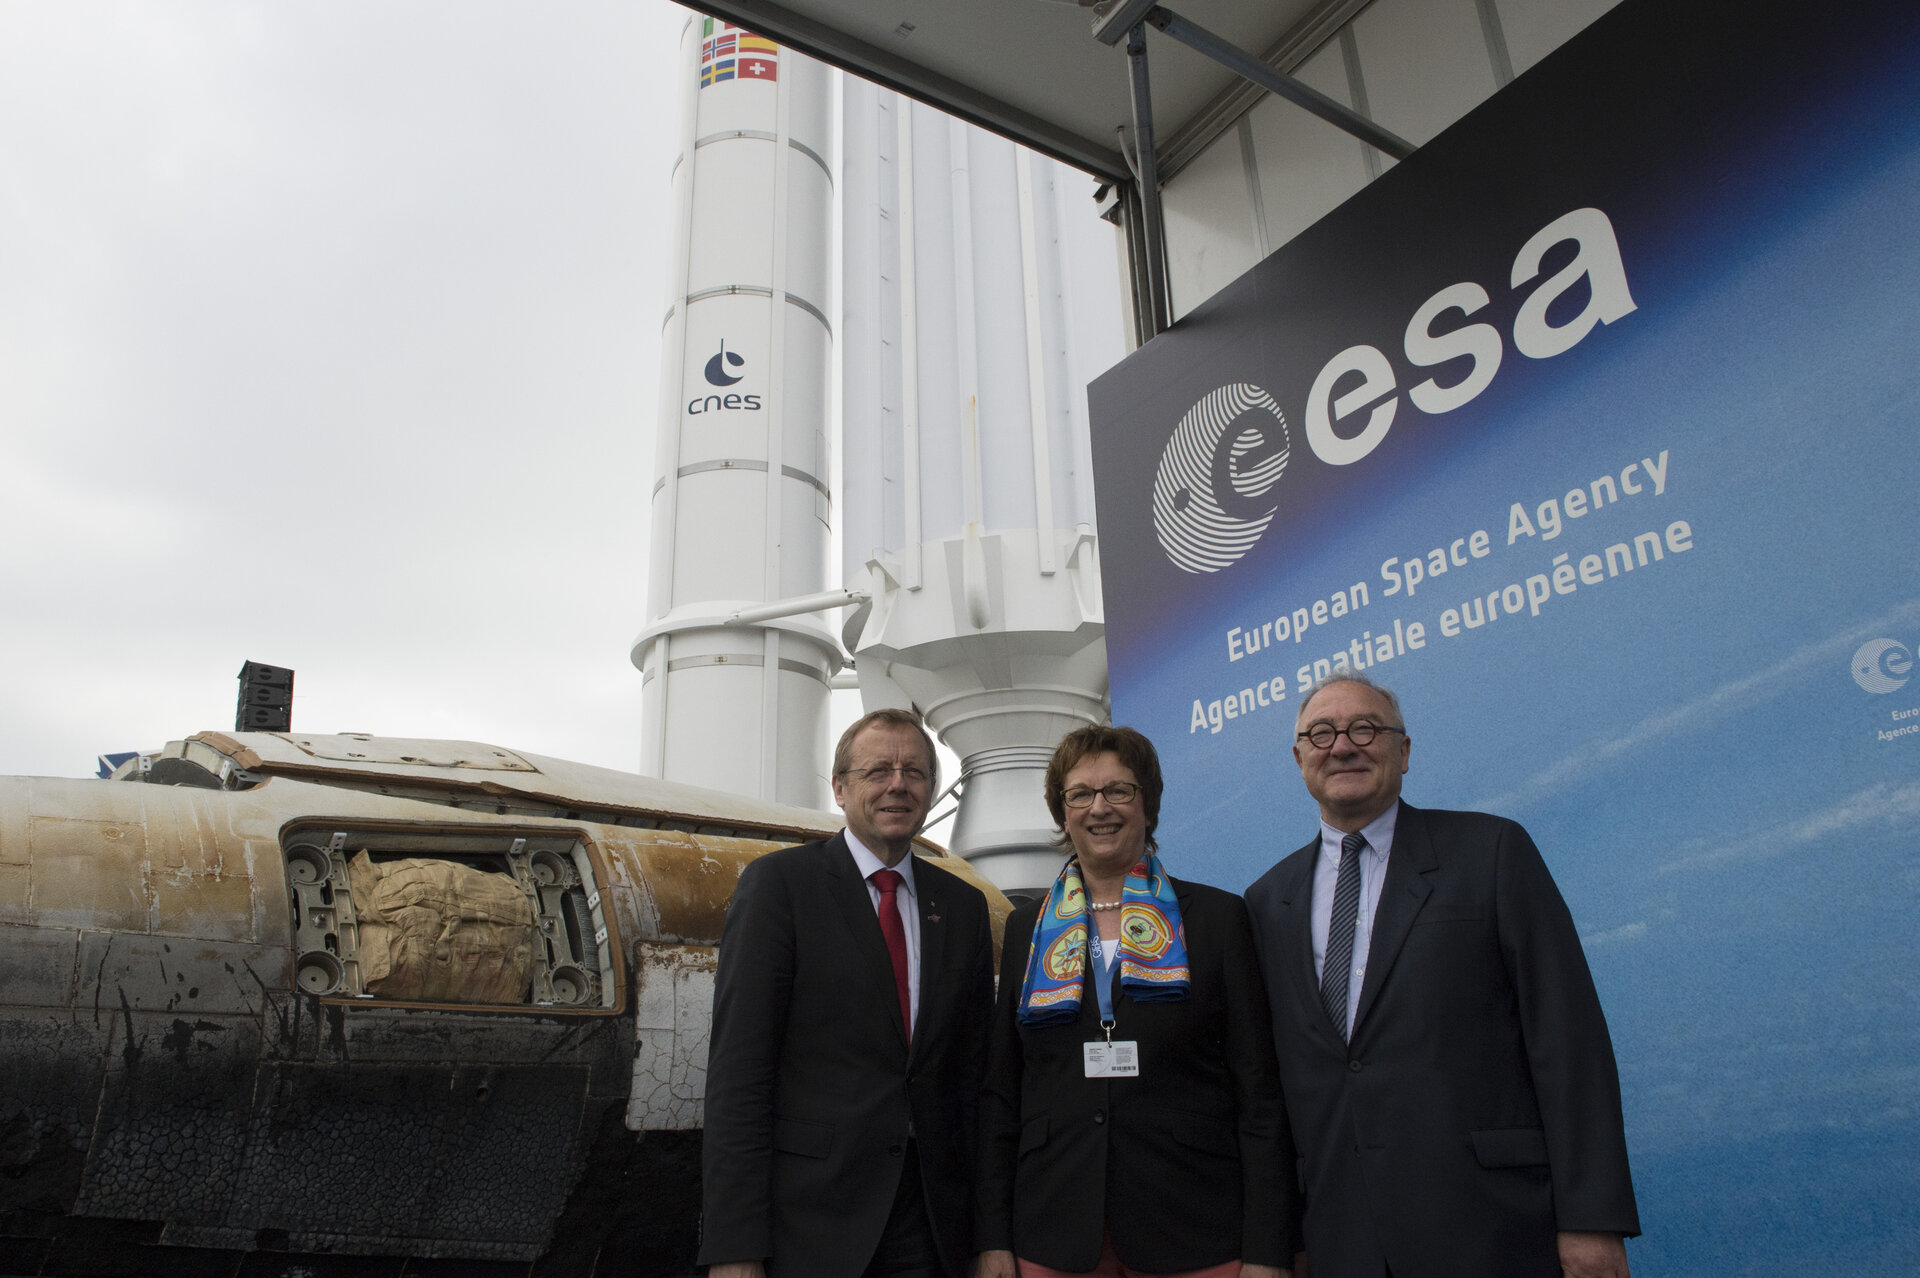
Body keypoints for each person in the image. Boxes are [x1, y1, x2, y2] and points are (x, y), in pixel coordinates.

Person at [1244, 674, 1640, 1278]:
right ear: (1299, 759)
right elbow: (1271, 1093)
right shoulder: (1267, 902)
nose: (1343, 746)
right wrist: (1275, 1246)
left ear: (1403, 751)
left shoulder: (1492, 851)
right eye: (1321, 734)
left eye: (1365, 728)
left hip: (1492, 1226)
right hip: (1341, 1238)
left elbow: (1568, 1040)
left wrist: (1591, 1218)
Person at [976, 725, 1296, 1278]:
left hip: (1193, 1227)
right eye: (1080, 794)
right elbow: (1003, 1093)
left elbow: (1260, 1096)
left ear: (1148, 804)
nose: (1100, 808)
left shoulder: (1217, 920)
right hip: (1054, 1230)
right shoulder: (1027, 928)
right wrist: (992, 1238)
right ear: (1062, 811)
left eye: (1119, 790)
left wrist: (1269, 1251)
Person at [699, 708, 996, 1278]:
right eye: (877, 770)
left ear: (932, 789)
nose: (897, 785)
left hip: (931, 1223)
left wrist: (988, 1232)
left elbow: (977, 1080)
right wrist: (734, 1249)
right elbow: (739, 1076)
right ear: (839, 787)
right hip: (810, 1222)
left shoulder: (962, 907)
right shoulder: (780, 888)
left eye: (914, 772)